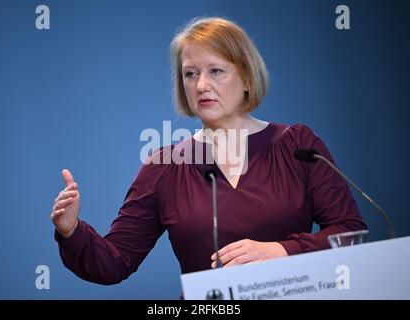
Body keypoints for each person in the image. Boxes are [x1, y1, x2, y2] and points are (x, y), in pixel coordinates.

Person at [51, 17, 367, 285]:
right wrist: (72, 230)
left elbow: (350, 234)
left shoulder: (298, 146)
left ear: (246, 78)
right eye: (191, 73)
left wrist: (283, 251)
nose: (202, 85)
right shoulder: (165, 166)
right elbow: (114, 263)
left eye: (216, 71)